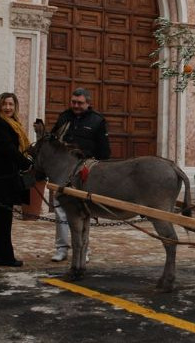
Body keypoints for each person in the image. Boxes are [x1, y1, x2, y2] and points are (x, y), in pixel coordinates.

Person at [49, 87, 111, 262]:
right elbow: (53, 141)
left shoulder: (97, 120)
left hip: (86, 171)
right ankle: (61, 248)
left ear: (88, 103)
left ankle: (84, 248)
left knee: (84, 210)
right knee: (60, 209)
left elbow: (104, 151)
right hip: (63, 171)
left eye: (79, 103)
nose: (75, 105)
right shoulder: (64, 117)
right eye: (73, 102)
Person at [0, 92, 33, 267]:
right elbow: (9, 150)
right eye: (5, 104)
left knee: (3, 216)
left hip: (7, 174)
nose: (8, 108)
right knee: (2, 216)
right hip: (0, 175)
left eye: (11, 104)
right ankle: (3, 256)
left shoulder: (12, 123)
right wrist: (28, 164)